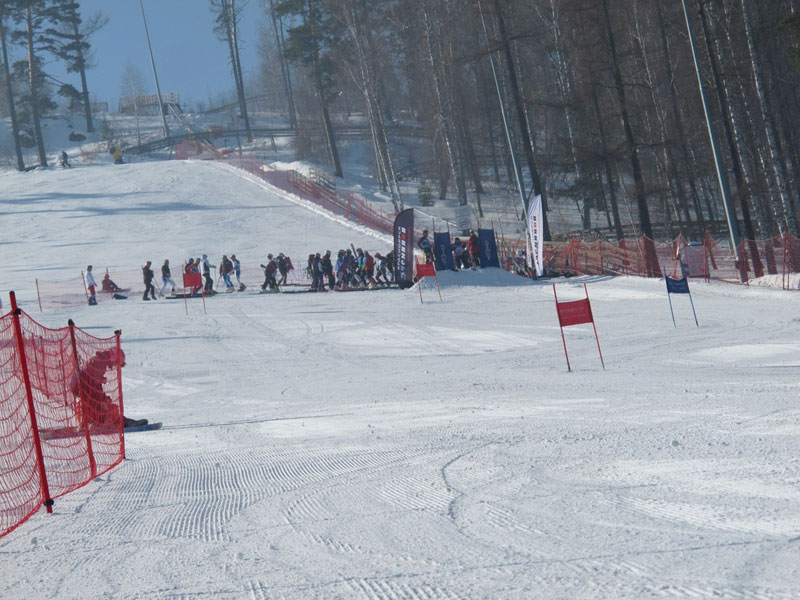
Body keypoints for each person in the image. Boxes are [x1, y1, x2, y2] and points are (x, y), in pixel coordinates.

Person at [72, 345, 146, 429]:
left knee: (103, 404)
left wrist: (102, 395)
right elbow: (93, 383)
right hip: (80, 386)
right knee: (101, 405)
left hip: (80, 385)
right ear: (114, 358)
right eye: (117, 363)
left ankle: (123, 422)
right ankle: (93, 424)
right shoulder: (100, 361)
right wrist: (102, 397)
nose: (115, 366)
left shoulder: (101, 360)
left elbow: (94, 382)